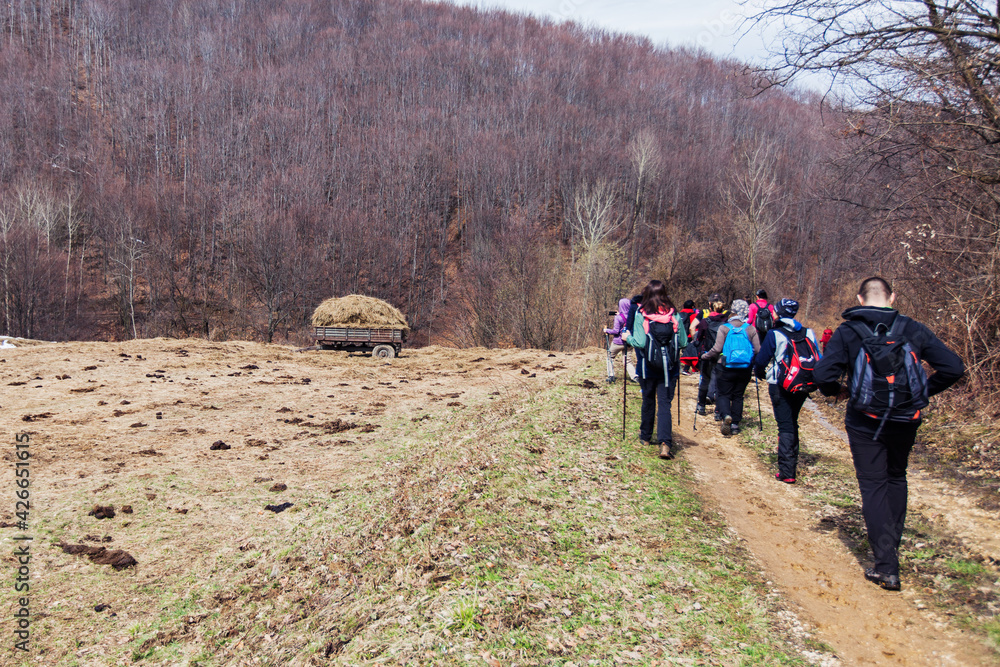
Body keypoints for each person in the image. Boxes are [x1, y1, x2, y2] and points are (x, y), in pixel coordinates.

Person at [814, 277, 964, 591]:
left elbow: (823, 375)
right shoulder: (913, 328)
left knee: (873, 484)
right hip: (906, 417)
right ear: (892, 297)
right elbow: (953, 367)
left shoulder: (848, 330)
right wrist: (922, 392)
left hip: (865, 417)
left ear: (859, 297)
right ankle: (889, 549)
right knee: (896, 476)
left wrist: (838, 392)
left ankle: (886, 565)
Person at [753, 298, 820, 484]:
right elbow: (818, 357)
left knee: (785, 425)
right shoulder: (809, 333)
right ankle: (790, 465)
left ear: (778, 313)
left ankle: (787, 471)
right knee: (792, 422)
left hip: (780, 385)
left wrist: (760, 375)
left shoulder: (775, 334)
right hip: (803, 384)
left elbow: (761, 361)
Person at [624, 280, 688, 460]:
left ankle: (645, 437)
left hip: (647, 367)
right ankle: (665, 443)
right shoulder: (674, 314)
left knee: (648, 400)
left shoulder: (641, 314)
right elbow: (683, 342)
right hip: (670, 369)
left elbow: (640, 343)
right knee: (665, 405)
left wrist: (627, 337)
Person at [701, 299, 760, 436]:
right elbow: (758, 349)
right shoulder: (750, 329)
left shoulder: (725, 327)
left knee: (723, 393)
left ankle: (726, 415)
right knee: (738, 395)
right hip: (744, 367)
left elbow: (717, 349)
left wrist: (705, 356)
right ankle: (735, 424)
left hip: (725, 366)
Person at [694, 294, 728, 419]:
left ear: (711, 307)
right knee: (720, 384)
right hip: (722, 356)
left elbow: (698, 338)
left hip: (707, 354)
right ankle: (718, 412)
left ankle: (701, 406)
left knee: (705, 380)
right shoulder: (726, 322)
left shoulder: (705, 321)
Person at [604, 298, 638, 382]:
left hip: (618, 342)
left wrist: (606, 330)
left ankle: (611, 375)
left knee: (609, 357)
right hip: (629, 341)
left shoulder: (618, 318)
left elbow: (615, 331)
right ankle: (634, 377)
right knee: (628, 361)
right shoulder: (633, 316)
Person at [678, 300, 700, 375]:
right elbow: (694, 327)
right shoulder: (693, 315)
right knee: (690, 353)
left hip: (679, 336)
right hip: (689, 336)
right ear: (693, 307)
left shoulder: (679, 314)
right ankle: (687, 369)